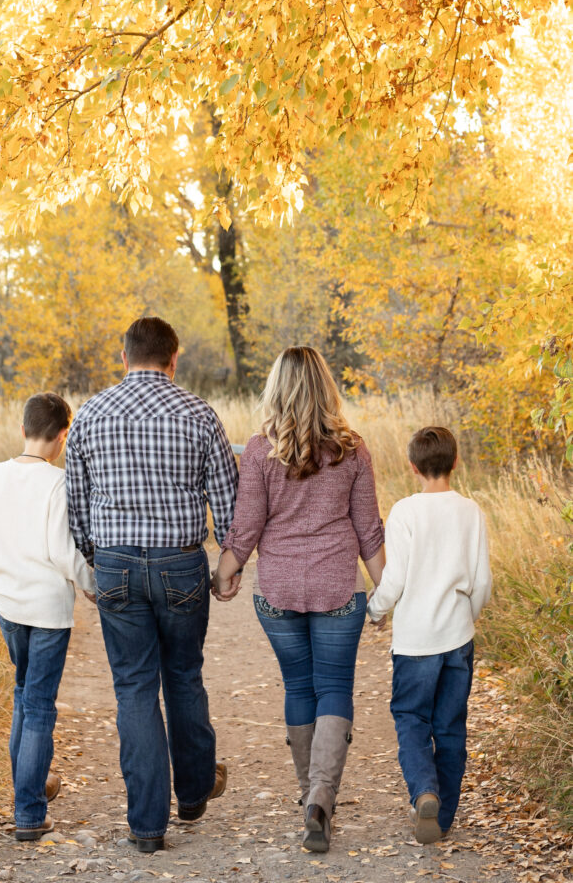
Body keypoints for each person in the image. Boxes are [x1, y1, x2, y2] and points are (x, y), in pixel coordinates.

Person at [65, 316, 238, 853]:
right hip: (180, 564)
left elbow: (75, 505)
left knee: (134, 688)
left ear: (124, 357)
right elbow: (228, 501)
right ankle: (191, 794)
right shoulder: (199, 413)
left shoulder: (90, 414)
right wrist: (228, 562)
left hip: (115, 563)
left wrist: (96, 564)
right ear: (174, 358)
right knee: (183, 676)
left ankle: (145, 826)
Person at [212, 345, 385, 854]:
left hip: (279, 590)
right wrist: (389, 590)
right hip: (338, 587)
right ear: (326, 387)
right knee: (334, 685)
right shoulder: (353, 449)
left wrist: (226, 572)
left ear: (277, 388)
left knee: (297, 685)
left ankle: (309, 794)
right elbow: (369, 531)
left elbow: (246, 528)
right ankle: (320, 800)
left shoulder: (261, 449)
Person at [0, 392, 95, 842]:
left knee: (24, 695)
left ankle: (31, 785)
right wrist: (92, 584)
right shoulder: (56, 483)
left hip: (8, 605)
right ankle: (29, 811)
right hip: (46, 611)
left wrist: (1, 578)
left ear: (23, 429)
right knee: (39, 704)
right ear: (62, 437)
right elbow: (64, 554)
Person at [367, 426, 492, 844]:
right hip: (457, 638)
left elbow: (395, 579)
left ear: (412, 467)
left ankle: (425, 792)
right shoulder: (472, 512)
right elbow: (482, 583)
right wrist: (464, 621)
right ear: (455, 462)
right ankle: (442, 819)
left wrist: (375, 609)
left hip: (415, 642)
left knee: (411, 719)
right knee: (451, 726)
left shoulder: (405, 511)